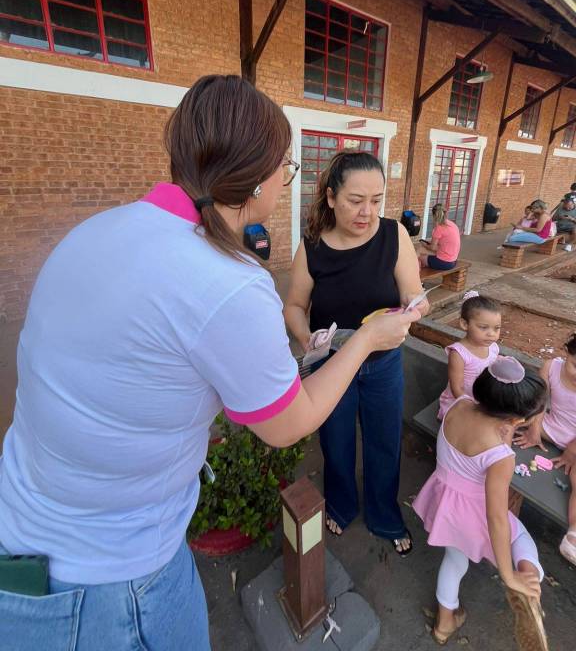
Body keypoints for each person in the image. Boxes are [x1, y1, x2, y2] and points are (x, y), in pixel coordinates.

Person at [0, 76, 421, 651]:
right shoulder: (227, 281)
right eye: (286, 167)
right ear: (258, 177)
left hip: (21, 531)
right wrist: (367, 338)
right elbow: (288, 424)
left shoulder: (91, 231)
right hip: (114, 581)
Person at [284, 151, 429, 555]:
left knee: (385, 441)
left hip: (383, 363)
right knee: (336, 441)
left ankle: (384, 515)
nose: (367, 212)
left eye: (376, 200)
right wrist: (306, 337)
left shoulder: (394, 234)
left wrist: (415, 306)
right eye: (355, 200)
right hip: (332, 365)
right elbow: (294, 306)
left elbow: (413, 293)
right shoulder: (312, 246)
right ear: (331, 197)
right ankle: (341, 505)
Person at [413, 357, 547, 646]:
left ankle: (444, 624)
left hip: (444, 503)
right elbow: (496, 517)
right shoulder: (500, 456)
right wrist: (507, 574)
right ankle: (528, 582)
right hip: (472, 514)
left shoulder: (457, 404)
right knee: (520, 537)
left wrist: (505, 428)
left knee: (454, 559)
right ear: (515, 420)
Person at [515, 333, 576, 567]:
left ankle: (573, 533)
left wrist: (572, 450)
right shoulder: (551, 367)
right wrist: (534, 429)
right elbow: (540, 402)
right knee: (509, 421)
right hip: (552, 427)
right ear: (567, 353)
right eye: (575, 365)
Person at [437, 291, 501, 420]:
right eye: (483, 327)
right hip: (460, 402)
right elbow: (456, 388)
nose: (492, 334)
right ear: (465, 324)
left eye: (497, 328)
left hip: (483, 398)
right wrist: (474, 409)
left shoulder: (493, 347)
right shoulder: (459, 354)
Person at [418, 204, 461, 271]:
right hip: (453, 261)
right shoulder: (453, 224)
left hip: (444, 263)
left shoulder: (439, 228)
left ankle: (416, 274)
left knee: (419, 254)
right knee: (422, 251)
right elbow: (444, 244)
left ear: (434, 216)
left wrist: (425, 244)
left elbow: (432, 248)